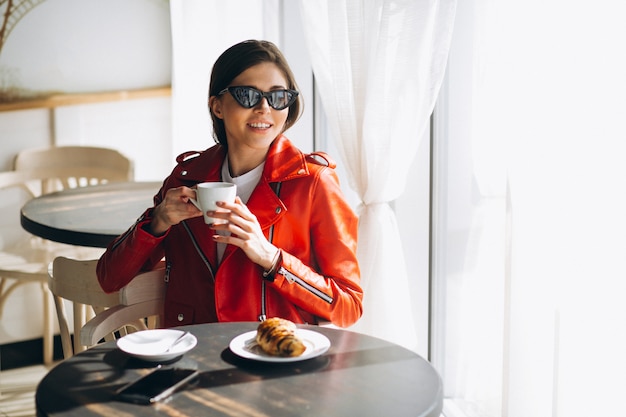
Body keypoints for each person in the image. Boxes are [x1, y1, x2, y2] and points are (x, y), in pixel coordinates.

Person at [96, 40, 362, 328]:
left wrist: (271, 258)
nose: (264, 108)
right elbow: (110, 278)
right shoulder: (187, 177)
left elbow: (348, 305)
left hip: (271, 358)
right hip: (192, 354)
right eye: (248, 95)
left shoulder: (312, 183)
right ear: (217, 106)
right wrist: (157, 221)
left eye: (278, 97)